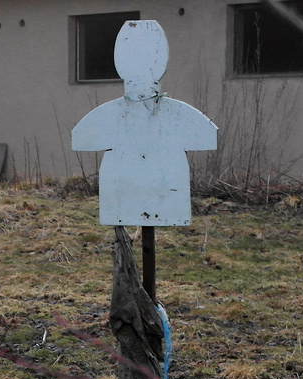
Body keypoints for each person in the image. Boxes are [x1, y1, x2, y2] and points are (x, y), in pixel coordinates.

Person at [71, 20, 217, 227]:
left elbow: (80, 138)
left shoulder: (108, 115)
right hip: (130, 199)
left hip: (156, 198)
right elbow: (79, 139)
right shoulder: (179, 113)